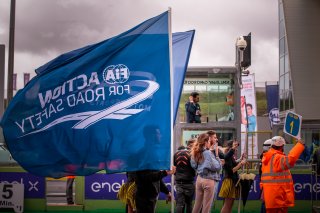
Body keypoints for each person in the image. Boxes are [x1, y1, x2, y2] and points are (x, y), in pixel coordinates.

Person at [260, 136, 305, 213]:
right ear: (282, 146)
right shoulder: (277, 157)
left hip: (270, 198)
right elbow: (290, 160)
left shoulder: (267, 157)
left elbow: (264, 179)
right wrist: (299, 145)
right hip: (278, 198)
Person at [190, 132, 221, 213]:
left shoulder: (195, 151)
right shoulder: (208, 153)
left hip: (199, 179)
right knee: (206, 207)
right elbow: (217, 167)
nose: (210, 143)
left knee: (197, 205)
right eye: (209, 141)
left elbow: (193, 165)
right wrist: (217, 155)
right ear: (205, 142)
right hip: (208, 180)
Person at [219, 140, 246, 213]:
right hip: (229, 180)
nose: (236, 148)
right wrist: (241, 164)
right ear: (231, 147)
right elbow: (232, 170)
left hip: (232, 180)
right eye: (235, 146)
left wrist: (240, 159)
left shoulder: (231, 156)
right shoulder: (227, 156)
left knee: (230, 203)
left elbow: (234, 163)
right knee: (227, 204)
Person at [174, 139, 196, 213]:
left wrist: (177, 175)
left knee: (179, 204)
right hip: (189, 181)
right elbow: (194, 168)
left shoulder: (176, 153)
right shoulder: (192, 154)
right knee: (189, 204)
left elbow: (174, 168)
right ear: (191, 145)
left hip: (179, 182)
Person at [259, 139, 273, 213]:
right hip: (268, 185)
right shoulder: (268, 157)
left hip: (264, 184)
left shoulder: (263, 156)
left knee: (265, 202)